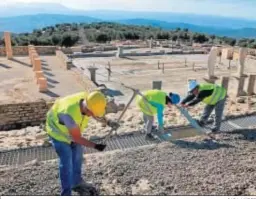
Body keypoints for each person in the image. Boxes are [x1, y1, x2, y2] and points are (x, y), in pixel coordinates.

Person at [45, 91, 118, 196]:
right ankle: (66, 193)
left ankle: (76, 182)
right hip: (57, 131)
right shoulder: (69, 114)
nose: (92, 116)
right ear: (86, 108)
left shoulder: (89, 99)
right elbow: (77, 138)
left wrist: (108, 122)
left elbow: (96, 113)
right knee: (67, 162)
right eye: (91, 113)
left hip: (71, 129)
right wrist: (96, 146)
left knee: (78, 156)